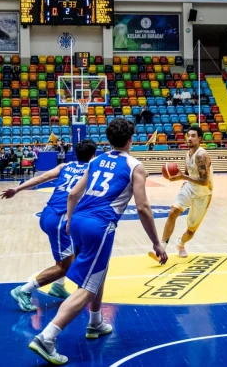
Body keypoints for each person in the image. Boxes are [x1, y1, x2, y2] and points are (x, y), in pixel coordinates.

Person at [28, 119, 168, 365]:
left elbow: (73, 194)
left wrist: (71, 221)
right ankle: (47, 337)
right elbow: (144, 207)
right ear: (130, 140)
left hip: (79, 219)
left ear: (109, 138)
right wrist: (156, 242)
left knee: (99, 271)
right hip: (99, 225)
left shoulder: (95, 160)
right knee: (87, 288)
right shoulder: (135, 166)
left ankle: (95, 323)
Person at [3, 140, 98, 312]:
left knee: (75, 250)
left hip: (48, 213)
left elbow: (42, 177)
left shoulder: (65, 166)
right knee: (65, 267)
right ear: (93, 155)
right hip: (61, 220)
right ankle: (23, 291)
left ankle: (58, 287)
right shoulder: (93, 170)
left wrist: (18, 189)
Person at [151, 126, 214, 260]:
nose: (190, 138)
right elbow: (187, 174)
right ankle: (162, 249)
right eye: (188, 135)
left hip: (203, 195)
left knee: (191, 231)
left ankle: (181, 244)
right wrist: (175, 176)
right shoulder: (188, 153)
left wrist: (182, 177)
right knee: (173, 212)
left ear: (200, 139)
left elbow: (203, 181)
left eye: (193, 136)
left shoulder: (201, 155)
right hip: (189, 188)